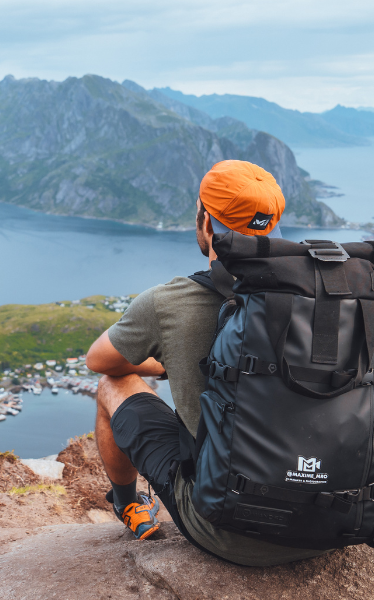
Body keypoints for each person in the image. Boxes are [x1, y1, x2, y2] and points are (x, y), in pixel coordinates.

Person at [84, 160, 329, 566]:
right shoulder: (327, 295)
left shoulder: (169, 302)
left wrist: (169, 361)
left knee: (113, 384)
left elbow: (100, 360)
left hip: (225, 528)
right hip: (328, 525)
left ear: (205, 221)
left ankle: (128, 504)